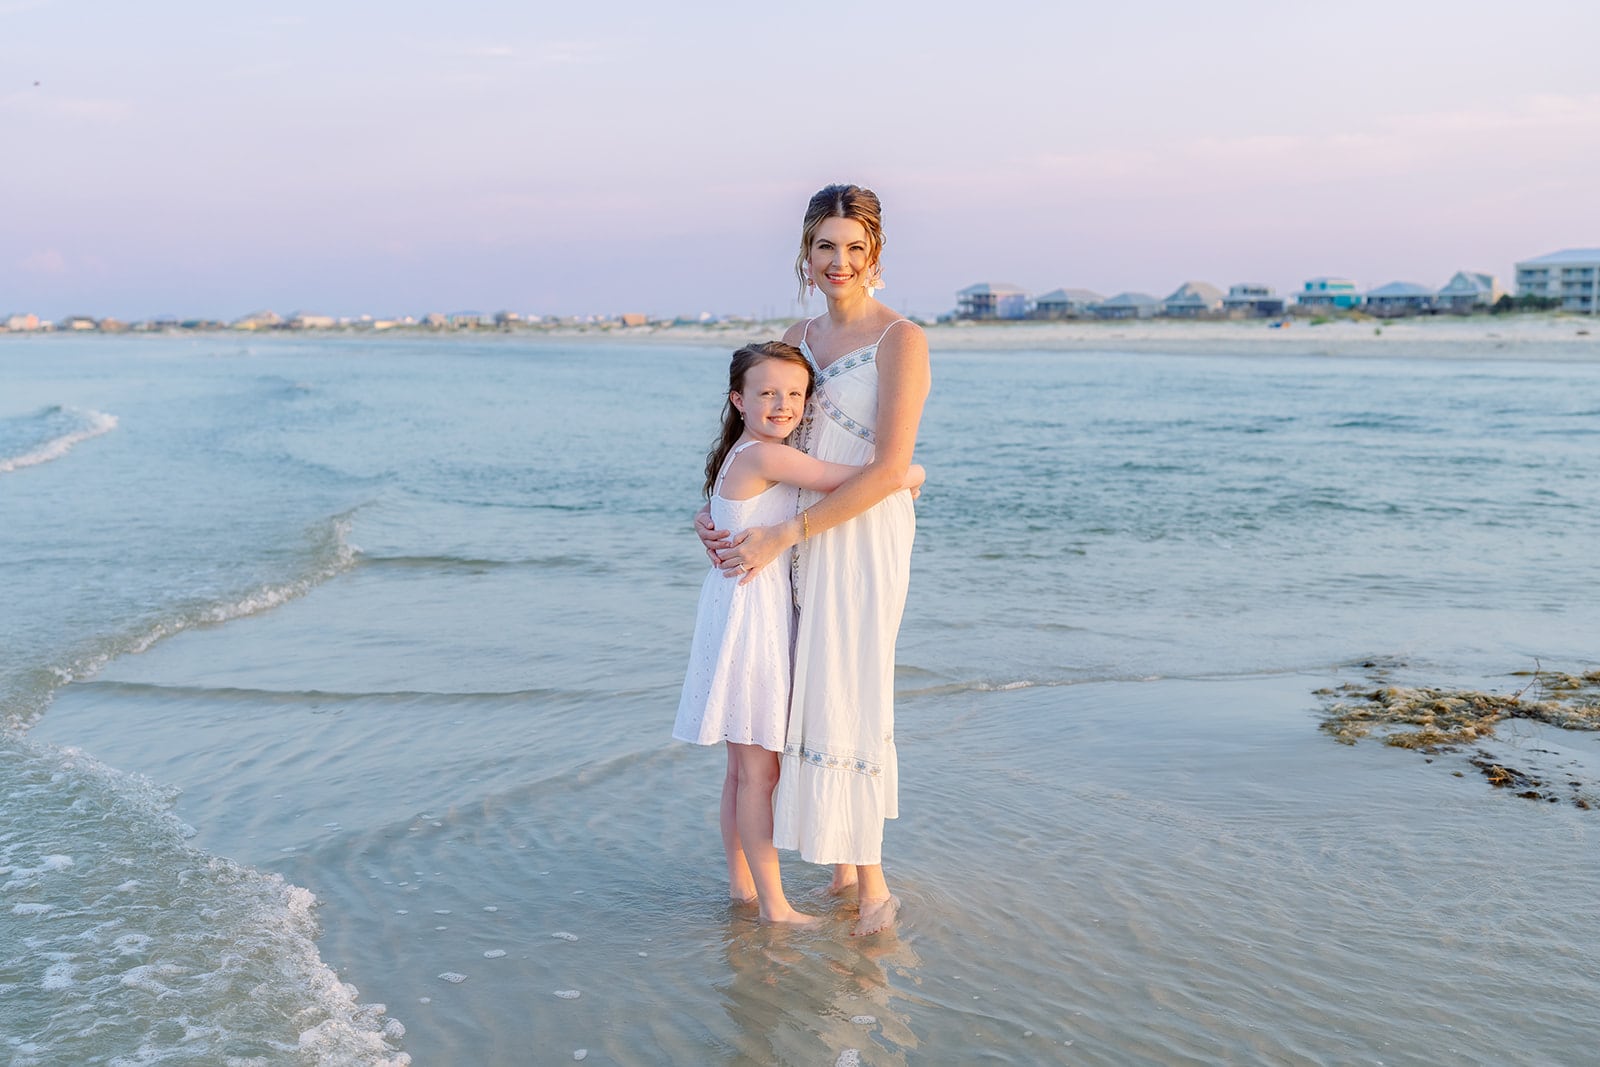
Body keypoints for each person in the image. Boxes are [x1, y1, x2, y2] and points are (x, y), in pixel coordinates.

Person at [698, 184, 931, 937]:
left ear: (876, 255)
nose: (840, 261)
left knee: (852, 689)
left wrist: (784, 537)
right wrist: (718, 517)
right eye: (826, 246)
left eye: (855, 248)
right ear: (806, 252)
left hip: (859, 536)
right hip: (790, 534)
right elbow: (762, 444)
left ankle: (874, 890)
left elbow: (891, 466)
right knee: (807, 692)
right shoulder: (798, 333)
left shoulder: (901, 340)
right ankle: (836, 867)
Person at [674, 340, 924, 925]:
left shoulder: (741, 452)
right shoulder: (766, 455)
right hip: (752, 622)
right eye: (766, 393)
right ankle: (776, 907)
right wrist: (912, 471)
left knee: (743, 770)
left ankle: (743, 890)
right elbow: (856, 478)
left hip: (734, 614)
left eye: (794, 394)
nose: (783, 404)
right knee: (759, 773)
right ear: (739, 400)